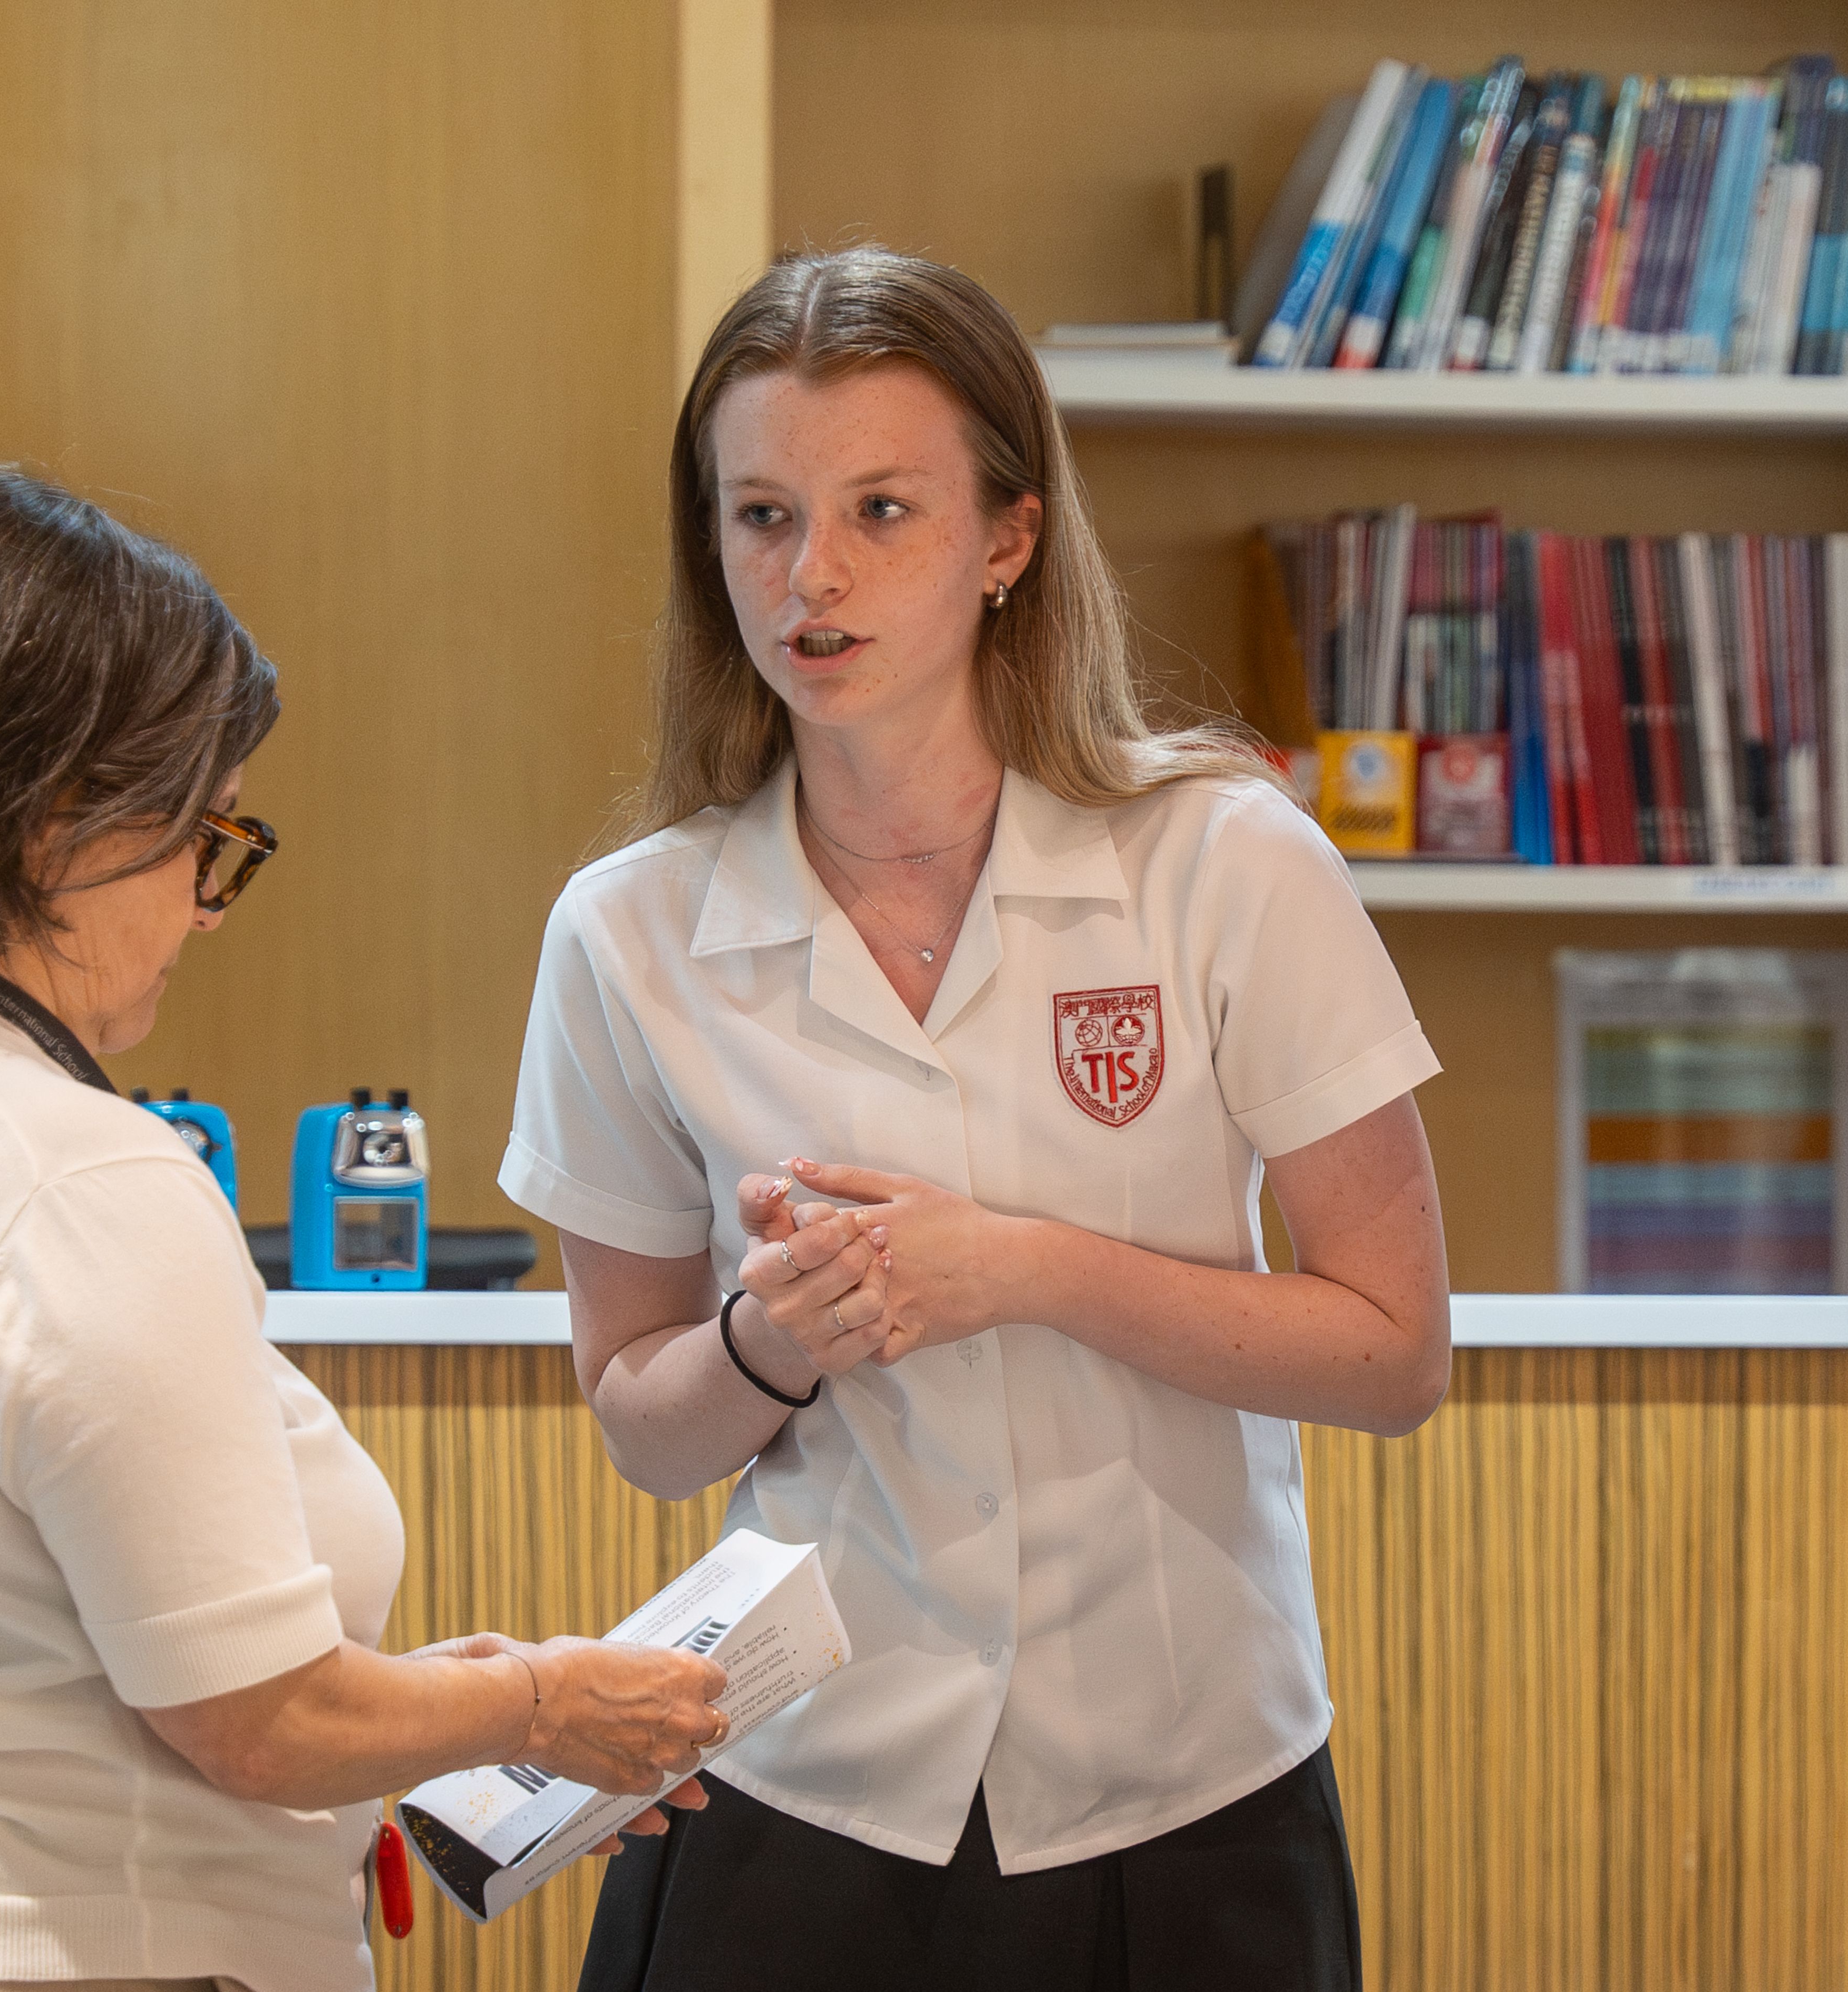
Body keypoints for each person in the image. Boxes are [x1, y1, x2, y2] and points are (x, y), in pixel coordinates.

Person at [501, 249, 1451, 1990]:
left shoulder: (1227, 861)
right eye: (764, 516)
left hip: (1190, 1791)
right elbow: (645, 1423)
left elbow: (1394, 1354)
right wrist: (773, 1341)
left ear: (1010, 537)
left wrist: (1022, 1269)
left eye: (882, 510)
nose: (814, 574)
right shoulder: (626, 931)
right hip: (806, 1790)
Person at [0, 456, 725, 1992]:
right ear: (54, 819)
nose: (206, 908)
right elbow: (260, 1724)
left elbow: (8, 1658)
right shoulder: (76, 1176)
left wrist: (431, 1704)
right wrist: (546, 1704)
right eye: (199, 839)